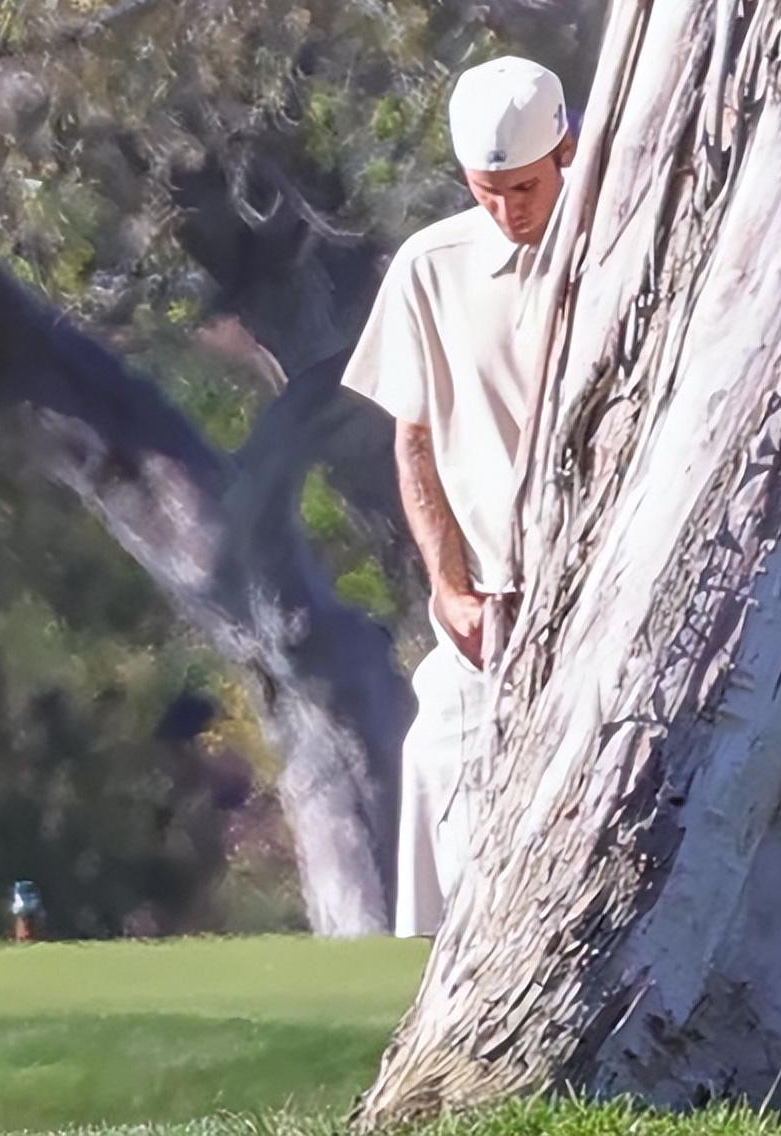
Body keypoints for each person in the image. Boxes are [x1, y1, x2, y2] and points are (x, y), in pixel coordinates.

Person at [342, 55, 575, 936]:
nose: (510, 212)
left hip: (612, 585)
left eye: (524, 188)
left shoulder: (636, 243)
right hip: (489, 609)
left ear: (566, 154)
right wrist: (448, 587)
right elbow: (415, 437)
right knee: (439, 759)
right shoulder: (429, 266)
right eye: (487, 191)